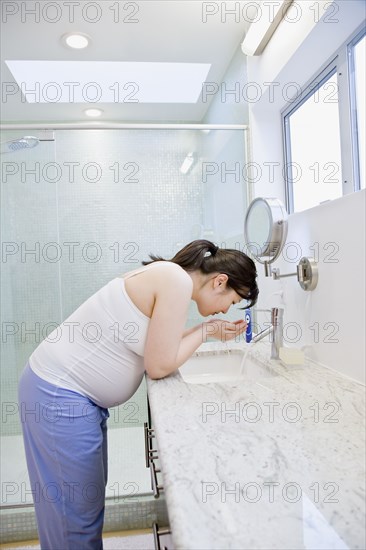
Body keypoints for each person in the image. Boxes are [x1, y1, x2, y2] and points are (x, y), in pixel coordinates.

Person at [18, 239, 258, 549]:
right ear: (220, 281)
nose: (226, 309)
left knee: (81, 511)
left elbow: (160, 345)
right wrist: (204, 330)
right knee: (73, 521)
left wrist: (209, 330)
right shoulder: (176, 281)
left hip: (67, 396)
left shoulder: (170, 276)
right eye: (233, 300)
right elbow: (159, 365)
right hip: (58, 396)